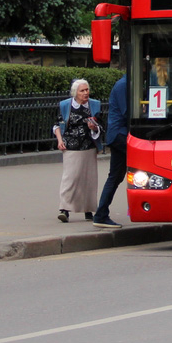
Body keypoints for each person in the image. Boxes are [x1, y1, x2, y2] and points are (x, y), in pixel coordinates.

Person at [54, 78, 102, 223]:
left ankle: (88, 210)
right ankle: (64, 209)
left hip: (89, 146)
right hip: (71, 146)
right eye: (82, 90)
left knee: (88, 179)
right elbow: (57, 125)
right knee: (71, 178)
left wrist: (94, 128)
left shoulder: (95, 105)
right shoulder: (65, 105)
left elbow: (101, 125)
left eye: (87, 90)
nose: (85, 93)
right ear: (75, 93)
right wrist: (60, 140)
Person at [92, 75, 128, 229]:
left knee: (116, 176)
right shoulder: (124, 85)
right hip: (120, 134)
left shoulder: (126, 83)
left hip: (119, 134)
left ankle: (101, 214)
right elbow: (128, 112)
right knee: (142, 166)